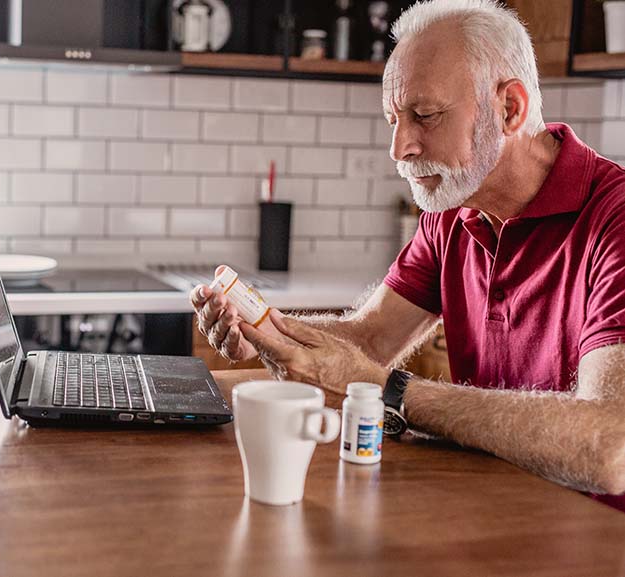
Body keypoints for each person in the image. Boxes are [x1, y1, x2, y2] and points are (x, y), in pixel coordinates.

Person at [190, 0, 625, 511]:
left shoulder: (612, 218)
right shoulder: (452, 210)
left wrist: (392, 392)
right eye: (394, 119)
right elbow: (371, 338)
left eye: (425, 116)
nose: (400, 147)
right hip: (495, 513)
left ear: (510, 109)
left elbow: (610, 447)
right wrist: (267, 332)